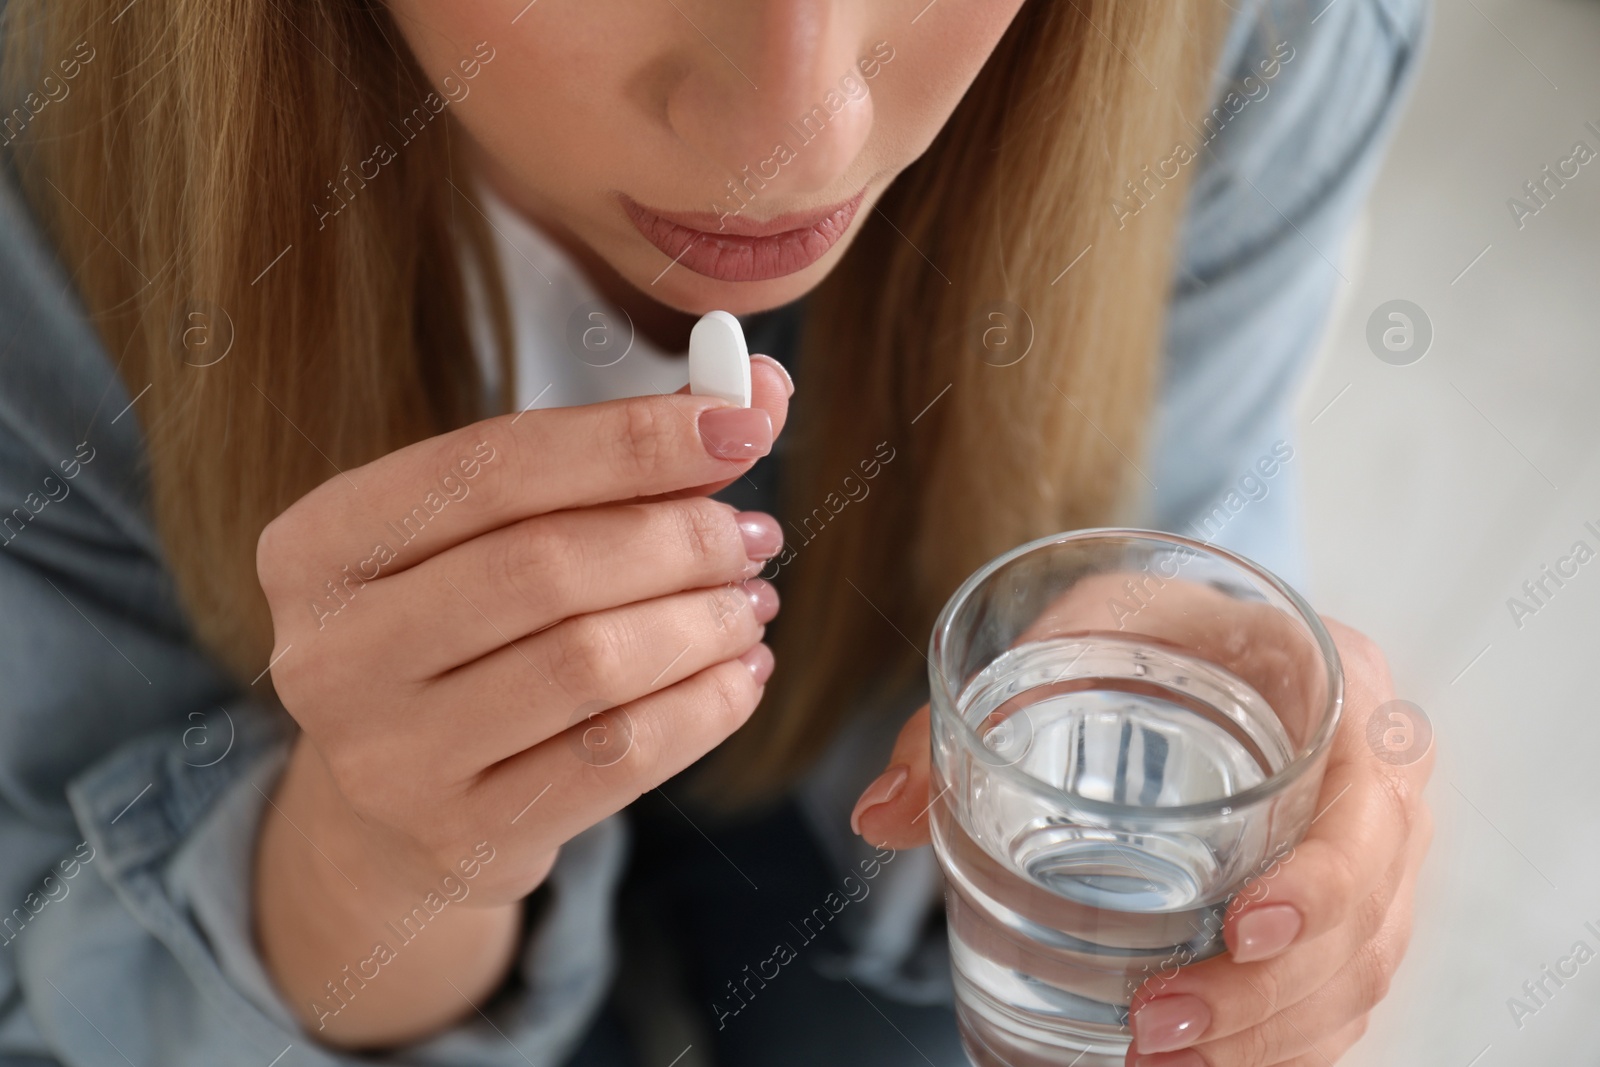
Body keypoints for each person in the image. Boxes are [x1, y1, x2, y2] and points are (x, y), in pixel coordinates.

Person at [0, 0, 1433, 1064]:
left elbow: (1166, 543)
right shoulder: (38, 182)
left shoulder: (1259, 40)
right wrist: (371, 869)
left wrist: (1179, 806)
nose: (797, 136)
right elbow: (59, 982)